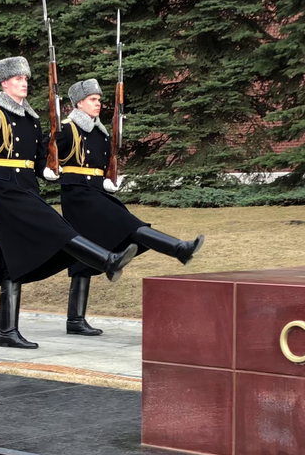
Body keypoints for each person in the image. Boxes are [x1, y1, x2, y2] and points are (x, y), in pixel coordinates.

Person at [0, 57, 138, 349]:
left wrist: (47, 171)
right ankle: (107, 260)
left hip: (26, 185)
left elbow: (39, 158)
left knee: (11, 259)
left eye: (25, 78)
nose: (24, 82)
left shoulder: (32, 117)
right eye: (17, 78)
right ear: (4, 83)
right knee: (56, 226)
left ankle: (7, 332)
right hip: (5, 188)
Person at [57, 79, 204, 335]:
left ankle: (75, 320)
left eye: (99, 99)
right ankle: (178, 249)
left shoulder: (100, 132)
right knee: (129, 225)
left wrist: (109, 179)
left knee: (83, 256)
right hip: (77, 194)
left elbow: (104, 164)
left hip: (96, 192)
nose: (98, 103)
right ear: (79, 103)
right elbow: (46, 155)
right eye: (93, 99)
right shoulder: (67, 129)